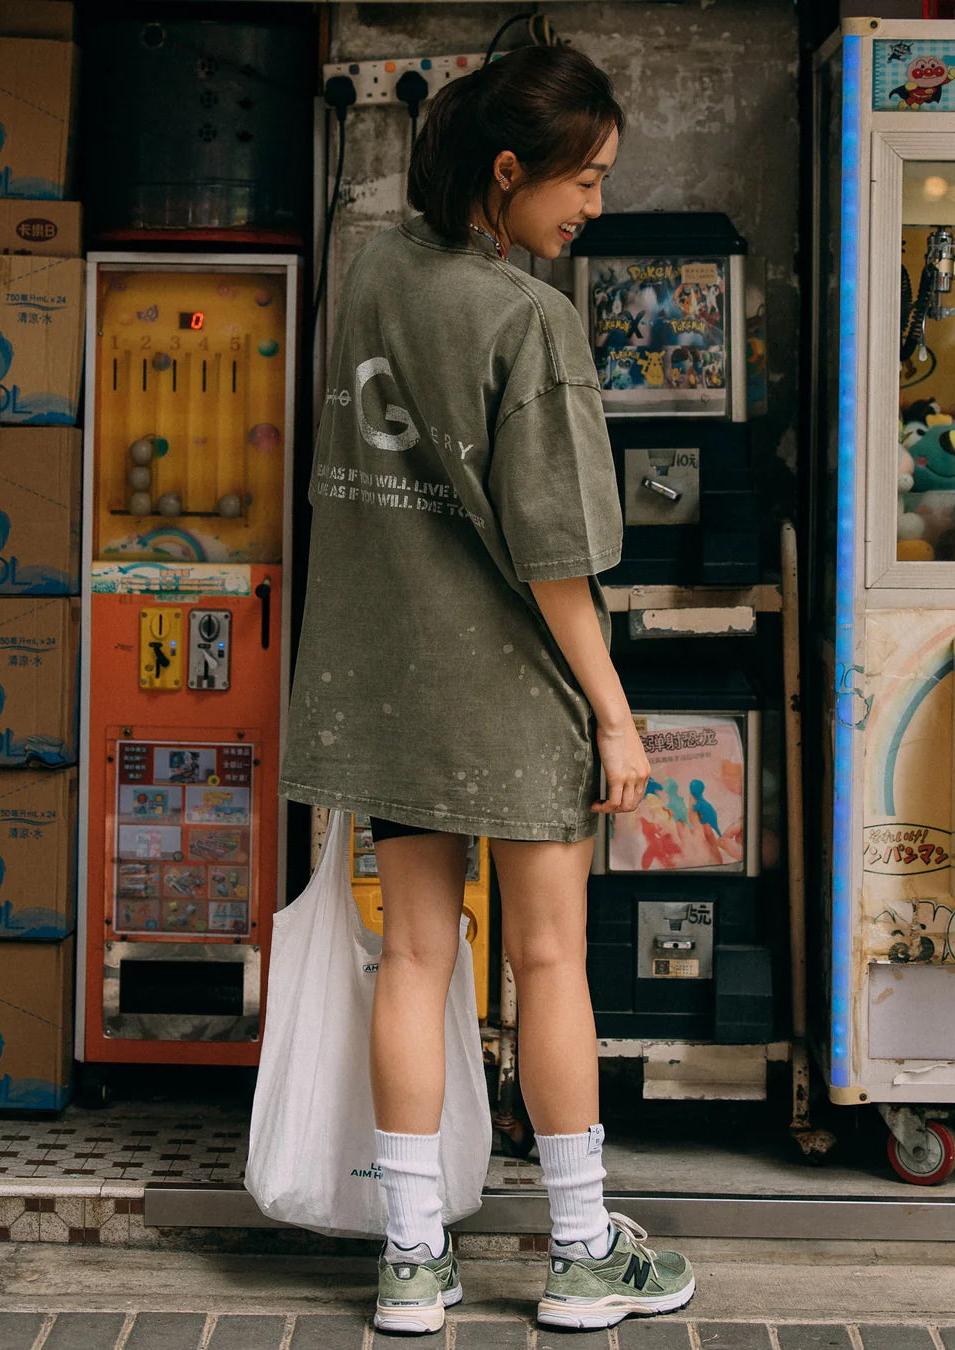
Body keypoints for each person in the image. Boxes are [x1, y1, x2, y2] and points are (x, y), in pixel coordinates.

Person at [279, 43, 695, 1333]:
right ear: (507, 172)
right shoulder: (534, 322)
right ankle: (579, 1249)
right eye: (585, 180)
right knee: (550, 958)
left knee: (413, 955)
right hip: (512, 694)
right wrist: (617, 718)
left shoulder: (374, 275)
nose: (597, 209)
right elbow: (558, 560)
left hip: (388, 684)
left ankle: (411, 1259)